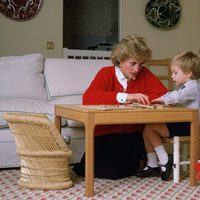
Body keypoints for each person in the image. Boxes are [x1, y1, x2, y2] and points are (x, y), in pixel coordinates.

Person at [75, 35, 168, 179]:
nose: (137, 69)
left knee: (118, 172)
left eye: (141, 64)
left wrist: (141, 96)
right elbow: (89, 97)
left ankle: (143, 159)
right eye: (133, 63)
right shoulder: (106, 73)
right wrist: (125, 97)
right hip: (105, 134)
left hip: (131, 135)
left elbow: (164, 95)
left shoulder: (145, 74)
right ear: (120, 59)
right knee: (101, 170)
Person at [136, 51, 200, 181]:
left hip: (191, 126)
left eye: (175, 73)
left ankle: (165, 160)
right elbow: (179, 98)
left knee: (149, 127)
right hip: (186, 124)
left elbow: (177, 96)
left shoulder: (193, 87)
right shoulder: (187, 87)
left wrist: (161, 99)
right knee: (146, 129)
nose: (172, 76)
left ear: (189, 73)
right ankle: (153, 164)